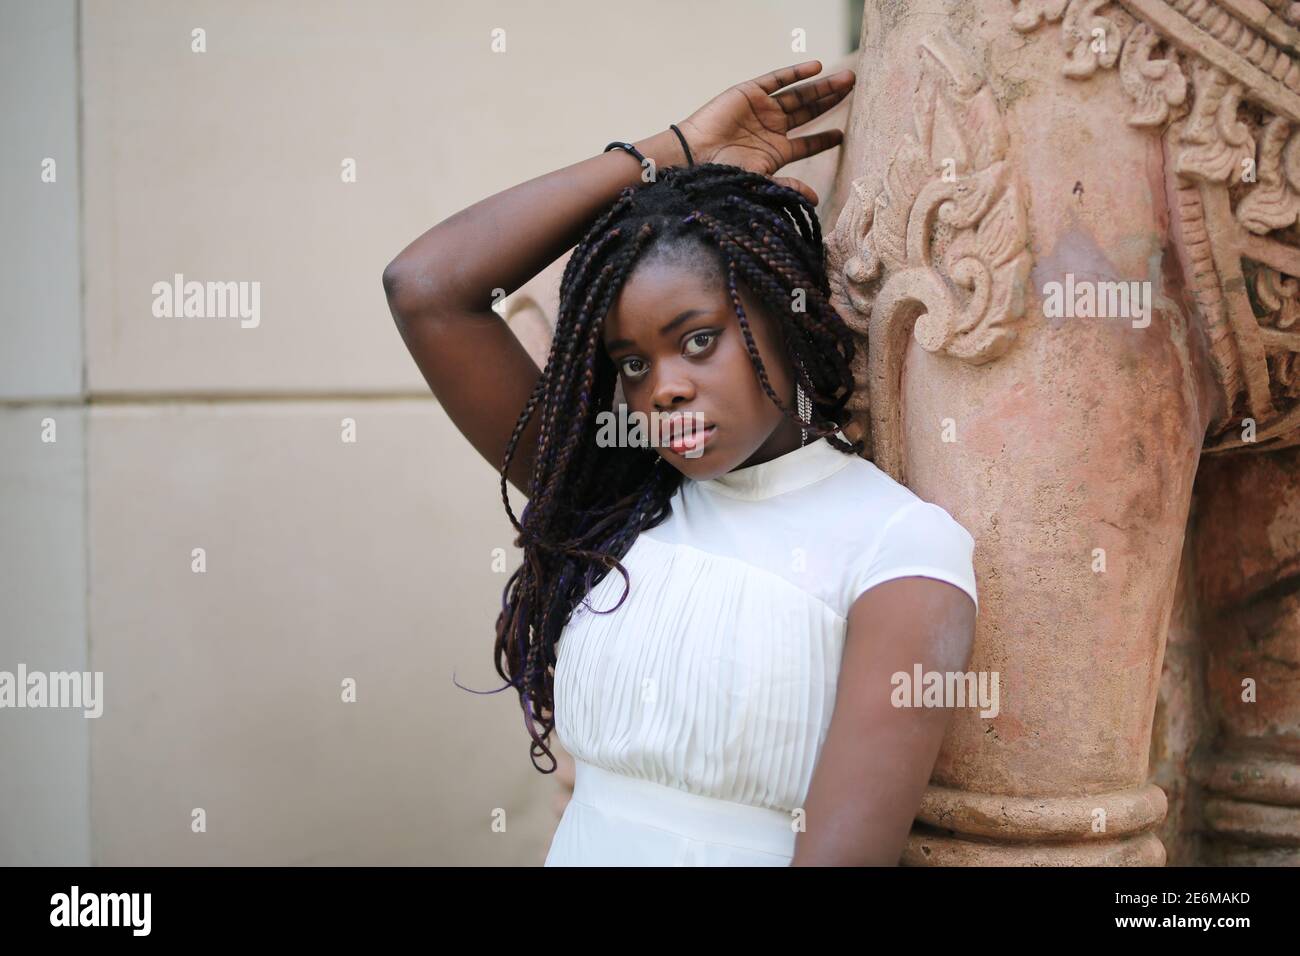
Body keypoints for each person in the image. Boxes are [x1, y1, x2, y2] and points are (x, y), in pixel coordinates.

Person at [382, 60, 978, 866]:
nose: (662, 389)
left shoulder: (897, 549)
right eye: (632, 362)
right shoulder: (619, 501)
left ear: (785, 313)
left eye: (699, 341)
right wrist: (672, 152)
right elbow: (425, 287)